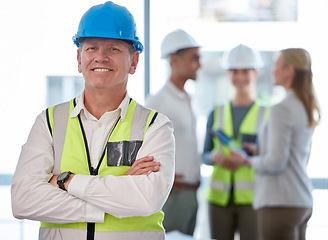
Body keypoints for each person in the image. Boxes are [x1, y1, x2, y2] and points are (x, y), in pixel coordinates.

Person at [11, 2, 175, 240]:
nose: (101, 57)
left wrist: (66, 181)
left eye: (114, 49)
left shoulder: (155, 126)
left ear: (134, 61)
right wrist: (114, 200)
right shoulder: (49, 122)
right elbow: (23, 201)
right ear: (79, 58)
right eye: (91, 48)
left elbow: (148, 199)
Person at [245, 48, 321, 240]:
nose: (272, 70)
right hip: (300, 201)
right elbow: (295, 154)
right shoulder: (304, 106)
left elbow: (276, 161)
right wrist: (259, 151)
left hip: (280, 204)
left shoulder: (282, 108)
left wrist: (248, 161)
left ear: (290, 70)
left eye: (276, 65)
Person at [202, 44, 270, 240]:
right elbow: (204, 155)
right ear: (227, 73)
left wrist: (254, 155)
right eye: (234, 71)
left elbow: (274, 156)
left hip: (253, 200)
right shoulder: (216, 112)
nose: (239, 76)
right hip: (218, 200)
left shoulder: (268, 114)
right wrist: (216, 157)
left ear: (255, 72)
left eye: (245, 70)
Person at [145, 29, 201, 235]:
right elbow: (143, 148)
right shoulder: (158, 102)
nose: (200, 64)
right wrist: (161, 177)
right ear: (174, 60)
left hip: (192, 192)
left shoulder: (189, 98)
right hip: (173, 194)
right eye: (194, 58)